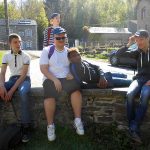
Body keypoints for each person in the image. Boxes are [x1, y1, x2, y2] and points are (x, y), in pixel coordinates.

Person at [40, 27, 84, 142]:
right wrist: (54, 79)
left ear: (66, 38)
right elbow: (43, 69)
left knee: (76, 91)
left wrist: (71, 73)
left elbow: (73, 66)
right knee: (49, 97)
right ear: (53, 39)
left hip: (66, 78)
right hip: (51, 78)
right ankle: (50, 126)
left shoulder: (69, 51)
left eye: (63, 37)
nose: (60, 39)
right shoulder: (47, 50)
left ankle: (77, 121)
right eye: (58, 38)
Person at [116, 29, 150, 144]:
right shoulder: (137, 52)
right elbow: (118, 55)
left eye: (141, 39)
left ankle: (133, 126)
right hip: (139, 79)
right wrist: (129, 44)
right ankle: (133, 127)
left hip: (149, 81)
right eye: (137, 40)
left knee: (145, 94)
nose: (139, 42)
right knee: (130, 94)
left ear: (147, 39)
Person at [0, 33, 31, 143]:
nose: (18, 44)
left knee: (23, 92)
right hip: (12, 79)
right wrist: (2, 86)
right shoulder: (6, 56)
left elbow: (23, 76)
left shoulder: (26, 56)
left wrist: (11, 91)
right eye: (15, 42)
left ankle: (26, 128)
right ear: (10, 43)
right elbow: (2, 72)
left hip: (25, 80)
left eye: (19, 42)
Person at [67, 47, 132, 89]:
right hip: (106, 81)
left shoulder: (84, 61)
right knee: (130, 82)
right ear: (70, 59)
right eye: (74, 56)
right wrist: (96, 85)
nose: (78, 57)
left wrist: (102, 76)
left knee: (125, 75)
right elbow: (81, 85)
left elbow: (97, 67)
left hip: (105, 75)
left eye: (78, 54)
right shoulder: (74, 68)